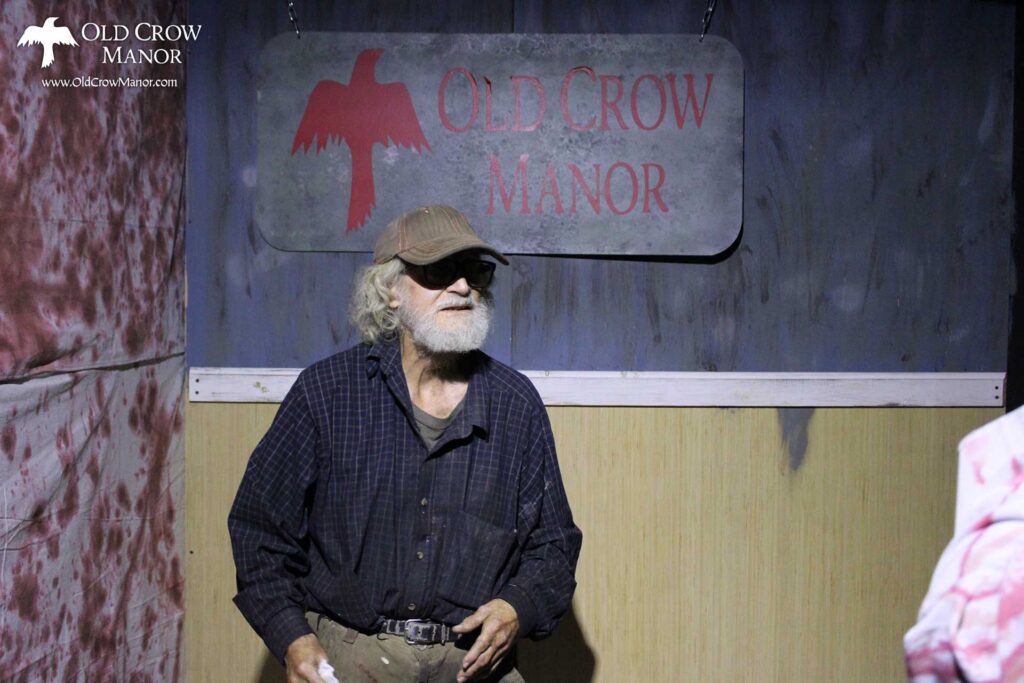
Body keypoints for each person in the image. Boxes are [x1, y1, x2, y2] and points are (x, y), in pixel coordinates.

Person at [229, 204, 582, 683]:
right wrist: (291, 636)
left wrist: (517, 607)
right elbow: (260, 532)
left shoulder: (515, 404)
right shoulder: (326, 393)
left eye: (475, 271)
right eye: (439, 271)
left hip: (472, 663)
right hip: (351, 656)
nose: (463, 287)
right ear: (390, 290)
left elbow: (554, 546)